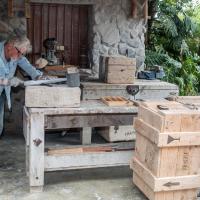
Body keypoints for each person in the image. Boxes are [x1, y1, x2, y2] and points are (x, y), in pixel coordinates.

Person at [0, 35, 43, 137]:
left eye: (22, 54)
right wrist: (6, 81)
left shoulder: (16, 53)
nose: (20, 56)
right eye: (19, 53)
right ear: (10, 46)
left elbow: (26, 64)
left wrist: (37, 76)